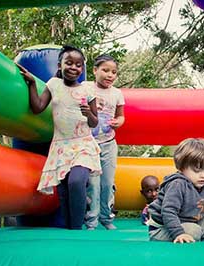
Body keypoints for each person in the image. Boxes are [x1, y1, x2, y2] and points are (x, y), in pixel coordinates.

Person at [17, 45, 101, 230]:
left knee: (77, 181)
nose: (73, 67)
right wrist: (31, 83)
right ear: (60, 64)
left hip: (83, 144)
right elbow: (38, 107)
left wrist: (88, 114)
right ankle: (69, 231)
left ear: (82, 68)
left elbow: (95, 123)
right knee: (63, 190)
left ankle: (77, 229)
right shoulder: (54, 84)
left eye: (78, 65)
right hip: (61, 145)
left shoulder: (88, 90)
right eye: (69, 63)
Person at [84, 54, 125, 230]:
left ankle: (106, 218)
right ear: (95, 70)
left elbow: (121, 115)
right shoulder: (85, 87)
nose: (110, 75)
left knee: (107, 183)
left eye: (114, 72)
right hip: (89, 143)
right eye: (105, 70)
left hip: (109, 143)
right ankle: (91, 220)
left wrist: (119, 122)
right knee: (93, 183)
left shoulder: (117, 93)